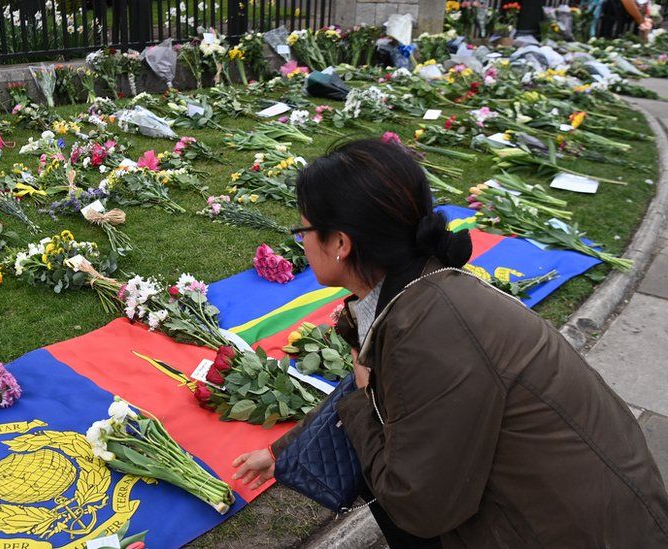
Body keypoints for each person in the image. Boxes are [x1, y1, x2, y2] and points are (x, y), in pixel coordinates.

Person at [231, 139, 668, 547]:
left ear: (341, 243)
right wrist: (282, 451)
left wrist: (364, 400)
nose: (302, 241)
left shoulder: (430, 331)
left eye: (303, 229)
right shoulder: (425, 290)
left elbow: (419, 508)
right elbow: (394, 405)